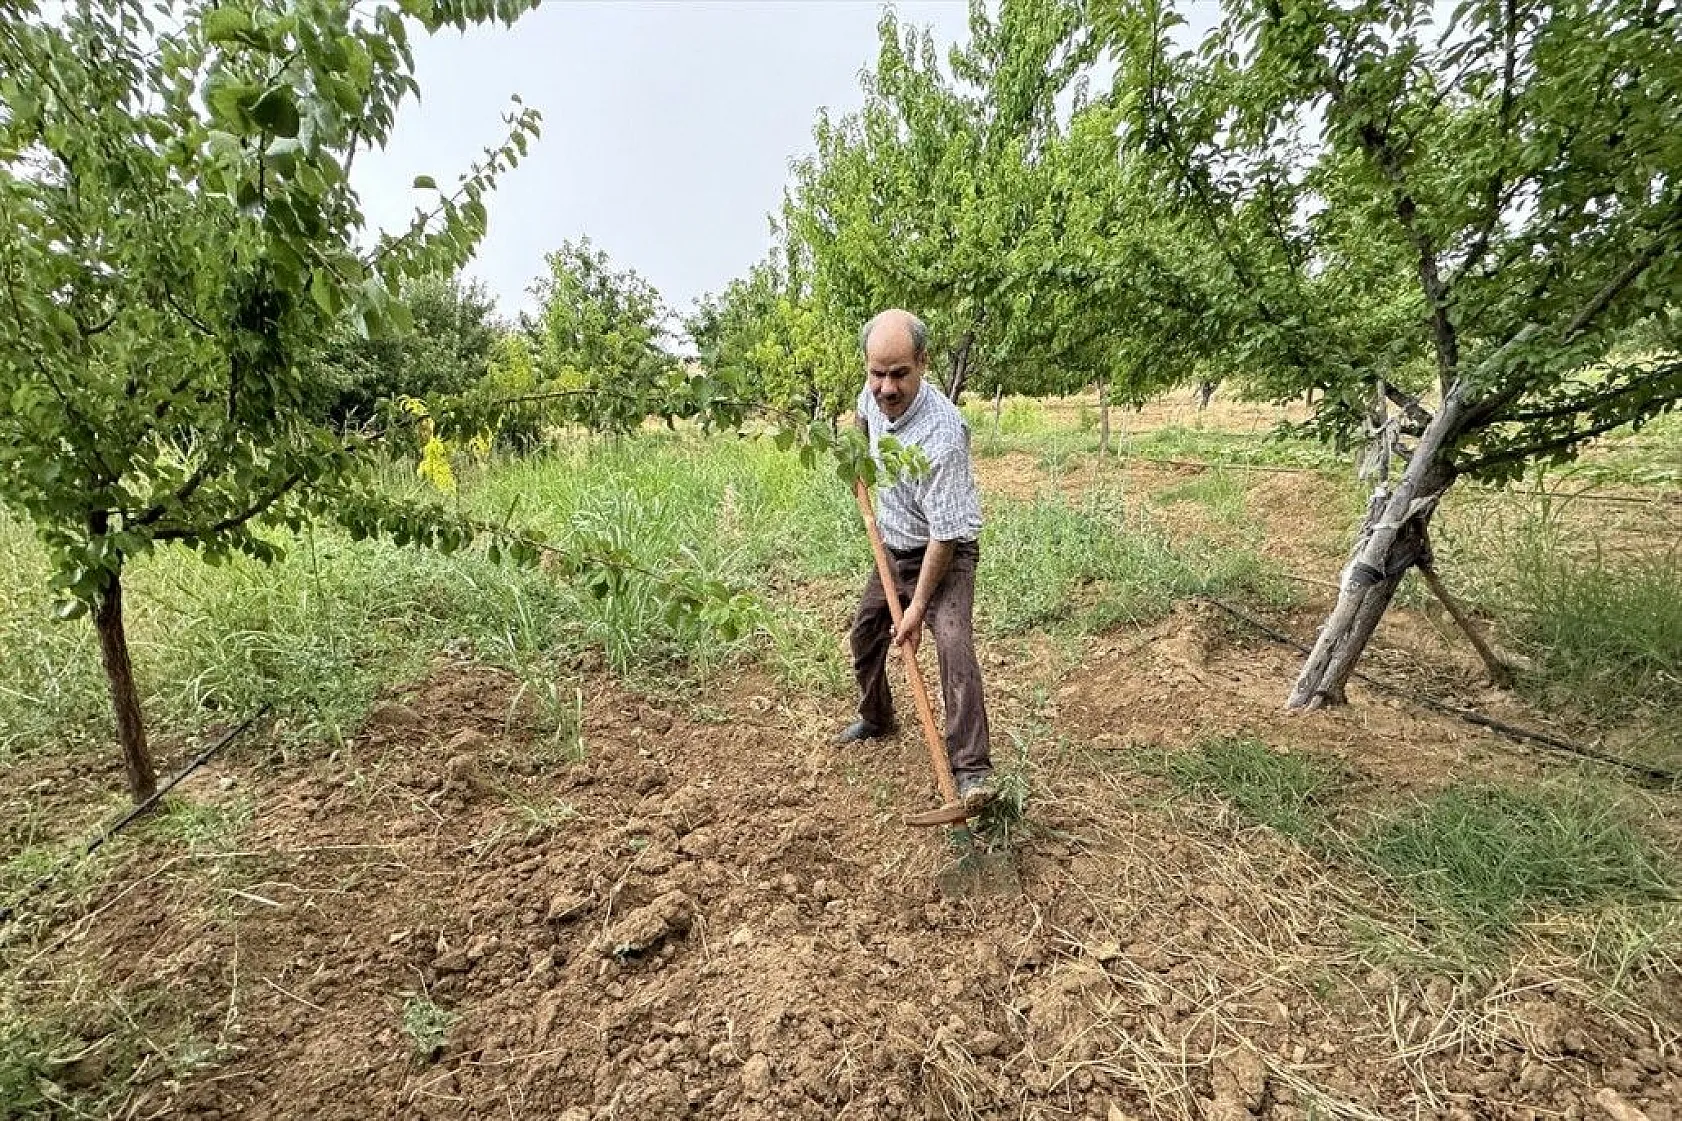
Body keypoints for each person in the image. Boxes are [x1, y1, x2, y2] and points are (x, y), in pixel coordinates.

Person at [836, 309, 994, 809]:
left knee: (951, 642)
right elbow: (862, 415)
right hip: (895, 544)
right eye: (876, 373)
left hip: (944, 553)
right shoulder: (874, 394)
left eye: (899, 373)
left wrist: (917, 608)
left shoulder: (943, 435)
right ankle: (878, 717)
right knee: (864, 632)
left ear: (922, 363)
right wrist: (856, 451)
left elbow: (946, 536)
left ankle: (972, 771)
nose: (885, 387)